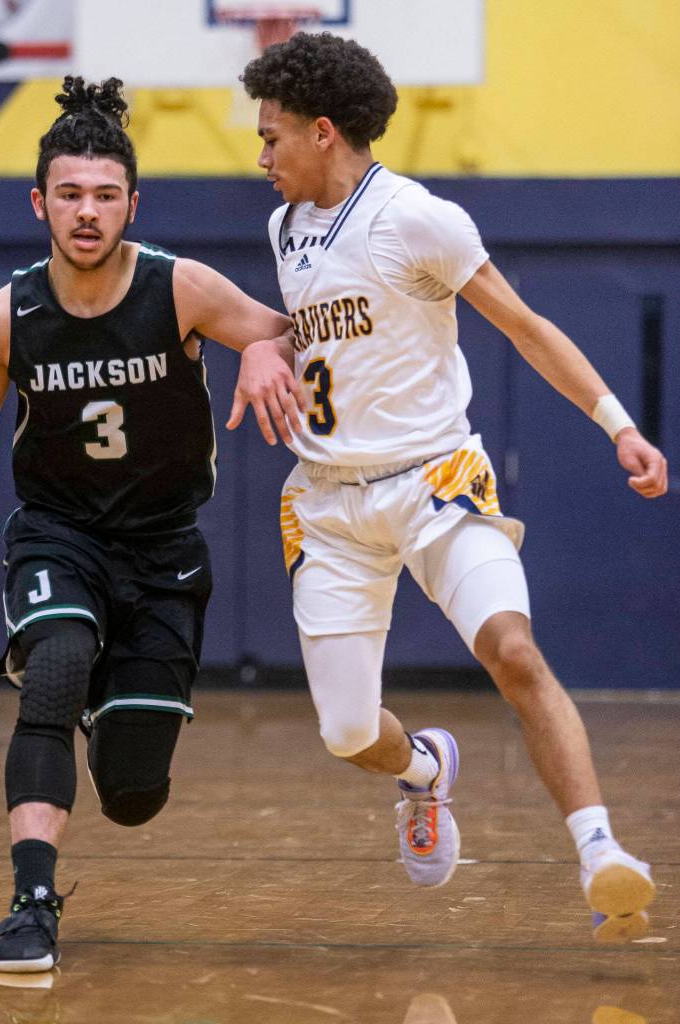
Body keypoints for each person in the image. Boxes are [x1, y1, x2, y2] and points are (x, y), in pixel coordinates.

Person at [0, 75, 301, 972]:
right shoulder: (9, 313)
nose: (87, 212)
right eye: (70, 195)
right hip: (59, 537)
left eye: (105, 195)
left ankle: (107, 707)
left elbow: (288, 331)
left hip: (162, 552)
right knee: (55, 669)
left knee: (130, 794)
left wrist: (267, 350)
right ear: (40, 201)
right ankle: (31, 904)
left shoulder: (182, 288)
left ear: (132, 203)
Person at [238, 32, 667, 943]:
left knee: (512, 649)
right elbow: (309, 334)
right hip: (329, 505)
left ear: (324, 132)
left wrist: (620, 425)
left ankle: (602, 856)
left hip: (435, 480)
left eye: (273, 136)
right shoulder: (283, 228)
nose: (261, 154)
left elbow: (523, 324)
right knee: (349, 735)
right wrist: (258, 348)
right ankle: (426, 771)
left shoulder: (419, 218)